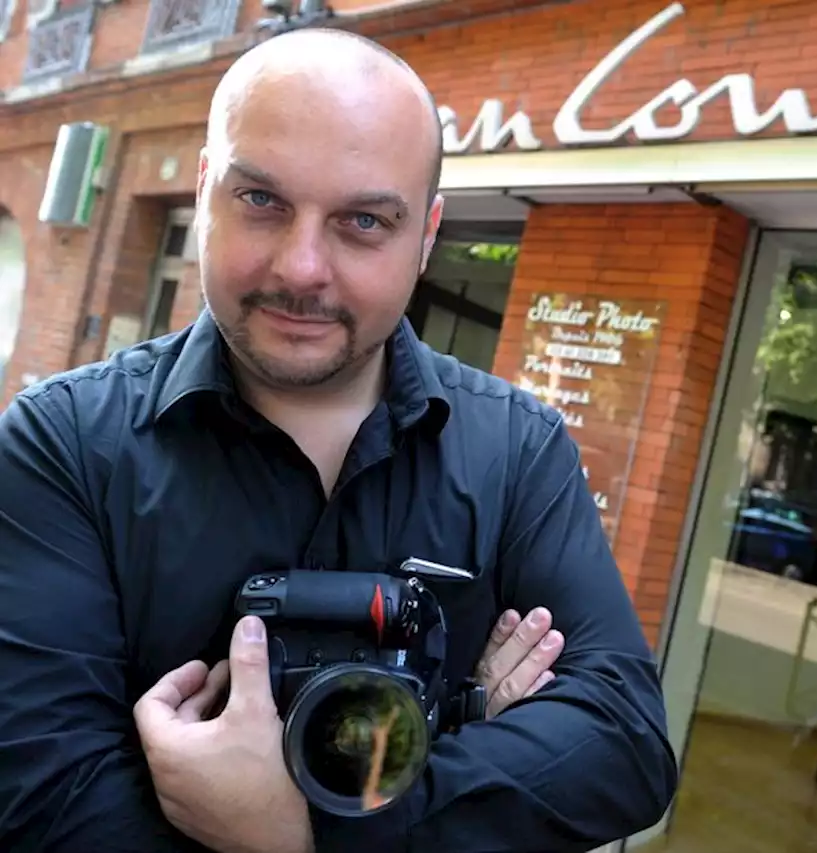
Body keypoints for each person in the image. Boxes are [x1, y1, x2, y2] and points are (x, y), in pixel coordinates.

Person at [0, 26, 677, 853]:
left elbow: (626, 744)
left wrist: (294, 834)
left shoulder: (519, 449)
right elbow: (43, 801)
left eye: (362, 220)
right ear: (207, 189)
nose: (303, 266)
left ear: (425, 238)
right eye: (262, 201)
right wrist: (462, 746)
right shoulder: (60, 443)